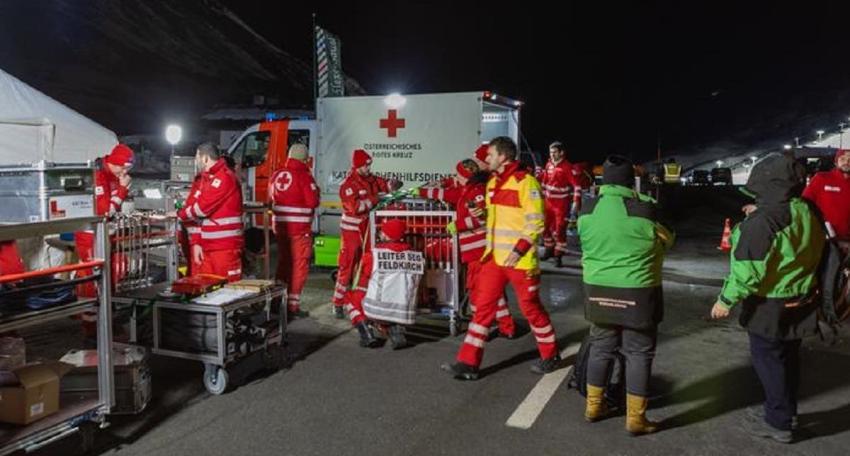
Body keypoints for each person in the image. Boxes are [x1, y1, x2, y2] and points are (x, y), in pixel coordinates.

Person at [710, 153, 824, 444]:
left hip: (770, 303)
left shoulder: (764, 222)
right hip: (802, 297)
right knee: (789, 357)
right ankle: (787, 411)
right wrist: (759, 211)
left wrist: (725, 300)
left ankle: (779, 422)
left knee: (768, 360)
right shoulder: (806, 210)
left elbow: (748, 270)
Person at [441, 137, 560, 380]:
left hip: (520, 260)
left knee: (531, 309)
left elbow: (536, 221)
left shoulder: (527, 183)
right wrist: (482, 214)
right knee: (483, 308)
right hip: (495, 258)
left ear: (503, 157)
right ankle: (467, 363)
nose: (486, 159)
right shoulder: (493, 183)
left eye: (490, 155)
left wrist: (519, 249)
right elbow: (495, 220)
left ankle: (550, 355)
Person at [577, 155, 674, 435]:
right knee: (638, 353)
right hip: (638, 291)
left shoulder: (587, 209)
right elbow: (669, 239)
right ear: (632, 180)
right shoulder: (645, 208)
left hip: (596, 289)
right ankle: (636, 419)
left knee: (601, 347)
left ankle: (594, 407)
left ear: (603, 180)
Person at [418, 159, 516, 338]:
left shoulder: (477, 192)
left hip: (479, 251)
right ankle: (500, 325)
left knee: (481, 289)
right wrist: (420, 190)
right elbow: (443, 194)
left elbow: (481, 219)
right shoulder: (466, 190)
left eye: (457, 175)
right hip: (473, 252)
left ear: (464, 176)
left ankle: (492, 326)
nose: (455, 177)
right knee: (486, 289)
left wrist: (459, 224)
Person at [342, 218, 421, 349]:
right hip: (405, 313)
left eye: (383, 231)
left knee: (351, 297)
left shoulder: (374, 255)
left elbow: (365, 277)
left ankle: (366, 334)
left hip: (377, 310)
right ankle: (394, 328)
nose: (380, 234)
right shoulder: (416, 255)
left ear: (388, 235)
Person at [332, 149, 391, 318]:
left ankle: (359, 301)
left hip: (366, 230)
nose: (369, 168)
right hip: (352, 232)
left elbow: (384, 184)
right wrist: (376, 199)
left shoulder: (370, 179)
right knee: (347, 267)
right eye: (366, 165)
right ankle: (338, 302)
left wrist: (391, 185)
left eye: (369, 164)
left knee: (366, 268)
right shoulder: (348, 185)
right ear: (357, 165)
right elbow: (355, 207)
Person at [176, 142, 244, 282]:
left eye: (197, 157)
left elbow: (201, 208)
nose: (195, 161)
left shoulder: (224, 177)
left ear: (205, 158)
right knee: (206, 289)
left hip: (224, 247)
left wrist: (181, 214)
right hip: (209, 246)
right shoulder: (206, 179)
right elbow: (197, 214)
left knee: (227, 292)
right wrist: (197, 242)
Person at [74, 143, 134, 297]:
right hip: (90, 235)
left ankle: (108, 309)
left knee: (117, 267)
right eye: (125, 168)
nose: (125, 172)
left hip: (106, 233)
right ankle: (91, 317)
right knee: (93, 276)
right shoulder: (97, 176)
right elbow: (104, 211)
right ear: (116, 162)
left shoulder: (112, 176)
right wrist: (122, 190)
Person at [269, 144, 320, 318]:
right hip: (299, 229)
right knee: (299, 266)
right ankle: (292, 306)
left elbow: (271, 198)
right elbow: (313, 201)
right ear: (305, 159)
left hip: (281, 227)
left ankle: (277, 301)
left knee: (283, 263)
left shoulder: (277, 174)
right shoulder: (304, 176)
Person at [539, 141, 582, 265]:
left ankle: (558, 255)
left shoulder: (568, 167)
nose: (552, 155)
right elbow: (544, 182)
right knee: (544, 228)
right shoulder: (549, 165)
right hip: (548, 203)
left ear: (561, 153)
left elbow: (577, 186)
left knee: (560, 230)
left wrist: (576, 202)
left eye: (554, 152)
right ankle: (549, 249)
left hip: (561, 204)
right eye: (550, 152)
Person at [802, 148, 850, 249]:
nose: (846, 162)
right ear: (836, 162)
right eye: (842, 159)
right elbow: (804, 204)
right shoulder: (821, 178)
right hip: (824, 239)